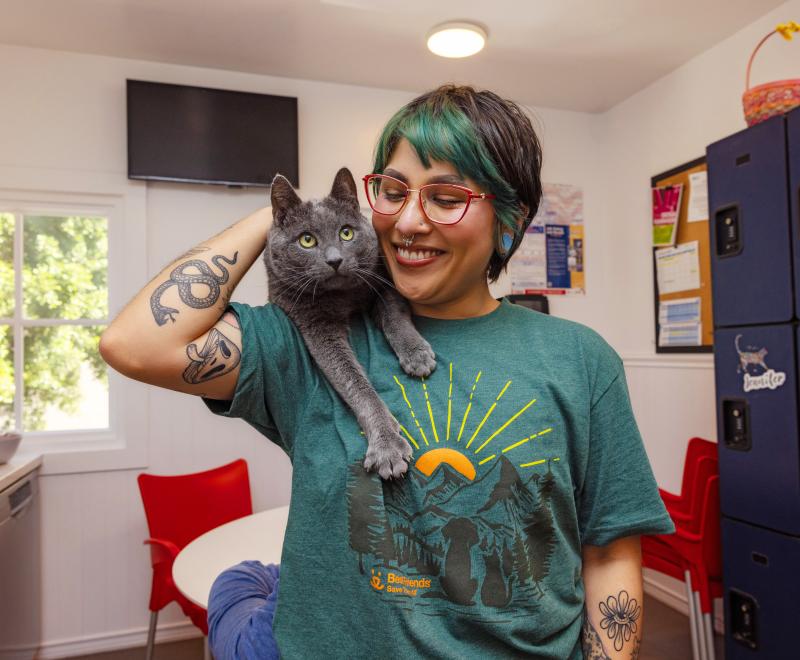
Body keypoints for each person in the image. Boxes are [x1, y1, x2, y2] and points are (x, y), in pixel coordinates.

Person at [100, 84, 674, 659]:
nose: (409, 220)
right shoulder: (300, 339)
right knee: (244, 587)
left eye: (445, 197)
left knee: (247, 586)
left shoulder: (581, 360)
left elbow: (610, 554)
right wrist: (286, 216)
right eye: (394, 191)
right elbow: (134, 343)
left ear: (510, 219)